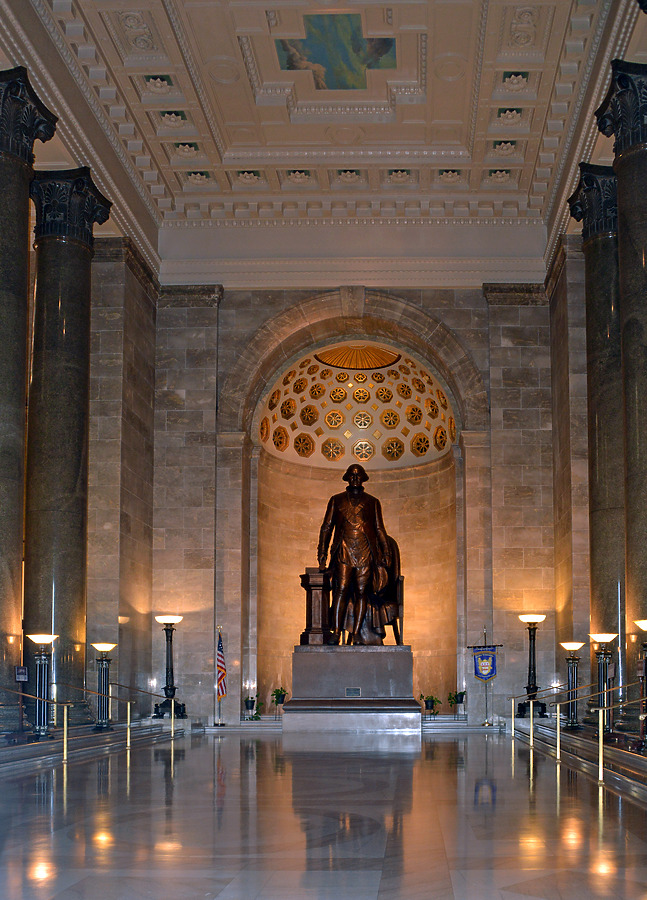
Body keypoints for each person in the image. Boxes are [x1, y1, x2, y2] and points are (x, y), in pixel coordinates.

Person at [317, 463, 393, 645]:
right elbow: (326, 527)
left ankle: (357, 633)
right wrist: (322, 553)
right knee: (341, 590)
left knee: (361, 592)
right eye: (352, 476)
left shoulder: (372, 502)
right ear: (347, 478)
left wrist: (386, 552)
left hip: (365, 550)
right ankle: (336, 632)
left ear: (364, 478)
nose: (355, 479)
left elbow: (379, 528)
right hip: (343, 548)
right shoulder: (336, 500)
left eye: (358, 476)